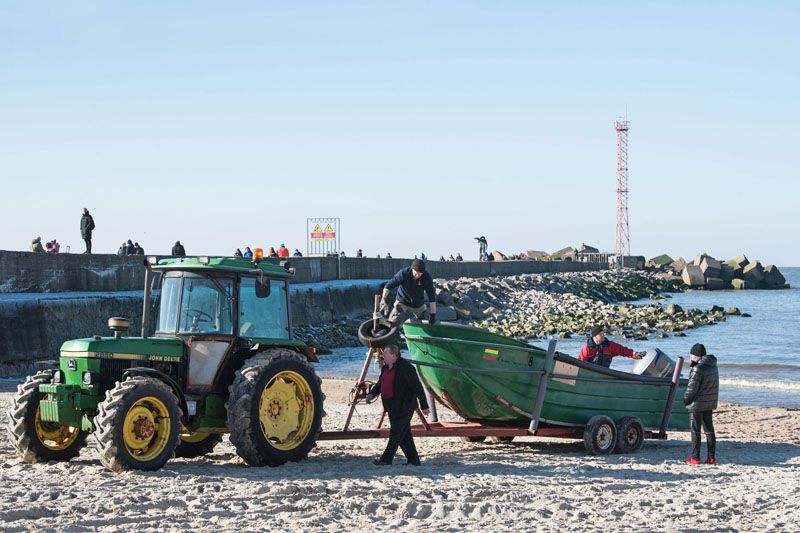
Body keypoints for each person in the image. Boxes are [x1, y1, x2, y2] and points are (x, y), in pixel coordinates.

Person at [366, 344, 430, 465]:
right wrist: (372, 394)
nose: (382, 355)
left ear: (393, 355)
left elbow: (417, 387)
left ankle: (386, 459)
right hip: (390, 405)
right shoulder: (386, 367)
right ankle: (413, 460)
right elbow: (381, 383)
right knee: (404, 434)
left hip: (404, 405)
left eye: (385, 354)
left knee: (396, 432)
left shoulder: (406, 367)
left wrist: (424, 406)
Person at [684, 343, 719, 465]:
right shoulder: (713, 366)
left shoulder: (697, 367)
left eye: (692, 356)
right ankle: (711, 457)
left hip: (697, 403)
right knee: (709, 430)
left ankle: (695, 457)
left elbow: (692, 387)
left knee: (695, 431)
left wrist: (686, 399)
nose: (690, 358)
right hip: (709, 402)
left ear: (697, 356)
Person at [381, 259, 437, 326]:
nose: (417, 275)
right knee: (393, 321)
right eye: (416, 272)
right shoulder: (403, 273)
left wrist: (433, 314)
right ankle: (392, 331)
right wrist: (383, 299)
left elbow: (432, 296)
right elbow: (389, 285)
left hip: (418, 304)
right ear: (412, 268)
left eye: (420, 273)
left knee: (426, 323)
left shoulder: (426, 277)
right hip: (402, 302)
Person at [579, 325, 644, 368]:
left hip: (605, 374)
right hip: (590, 375)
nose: (603, 335)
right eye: (600, 334)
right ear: (594, 337)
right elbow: (581, 363)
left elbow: (623, 350)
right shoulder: (587, 348)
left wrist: (635, 354)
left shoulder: (609, 345)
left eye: (603, 333)